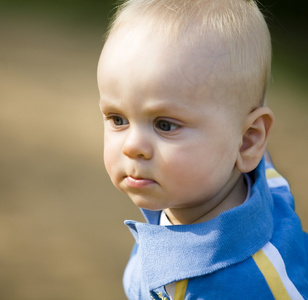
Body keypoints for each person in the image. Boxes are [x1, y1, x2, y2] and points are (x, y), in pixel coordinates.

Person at [97, 0, 308, 299]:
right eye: (118, 119)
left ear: (248, 141)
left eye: (165, 125)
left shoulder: (244, 287)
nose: (132, 147)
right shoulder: (202, 185)